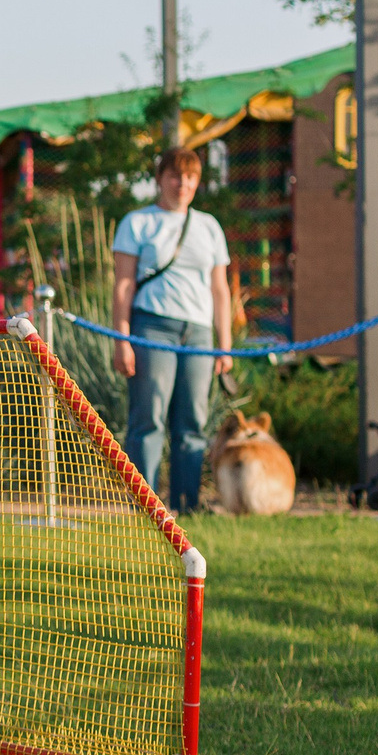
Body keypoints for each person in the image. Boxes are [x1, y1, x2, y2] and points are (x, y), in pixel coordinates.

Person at [110, 149, 235, 512]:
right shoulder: (137, 223)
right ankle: (143, 505)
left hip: (198, 332)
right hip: (151, 326)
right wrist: (122, 338)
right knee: (148, 417)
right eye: (175, 176)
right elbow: (123, 285)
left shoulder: (209, 226)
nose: (183, 184)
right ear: (160, 179)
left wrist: (224, 344)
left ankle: (186, 503)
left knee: (192, 421)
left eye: (191, 177)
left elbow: (220, 289)